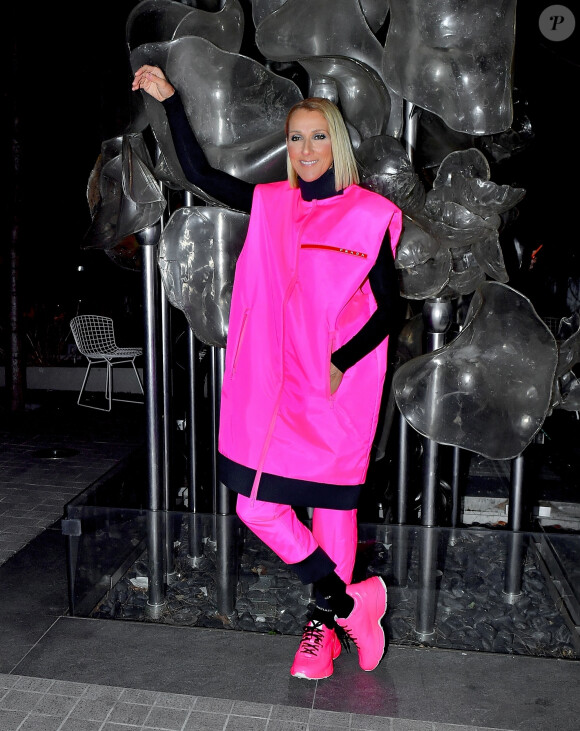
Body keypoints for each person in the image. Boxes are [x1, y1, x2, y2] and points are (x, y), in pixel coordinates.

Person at [133, 65, 405, 680]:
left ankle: (323, 632)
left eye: (316, 137)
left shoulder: (368, 215)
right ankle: (347, 604)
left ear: (336, 143)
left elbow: (390, 307)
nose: (305, 151)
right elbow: (200, 176)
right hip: (275, 389)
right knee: (257, 504)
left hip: (334, 391)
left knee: (333, 514)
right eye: (295, 139)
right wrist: (170, 99)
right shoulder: (272, 204)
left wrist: (343, 359)